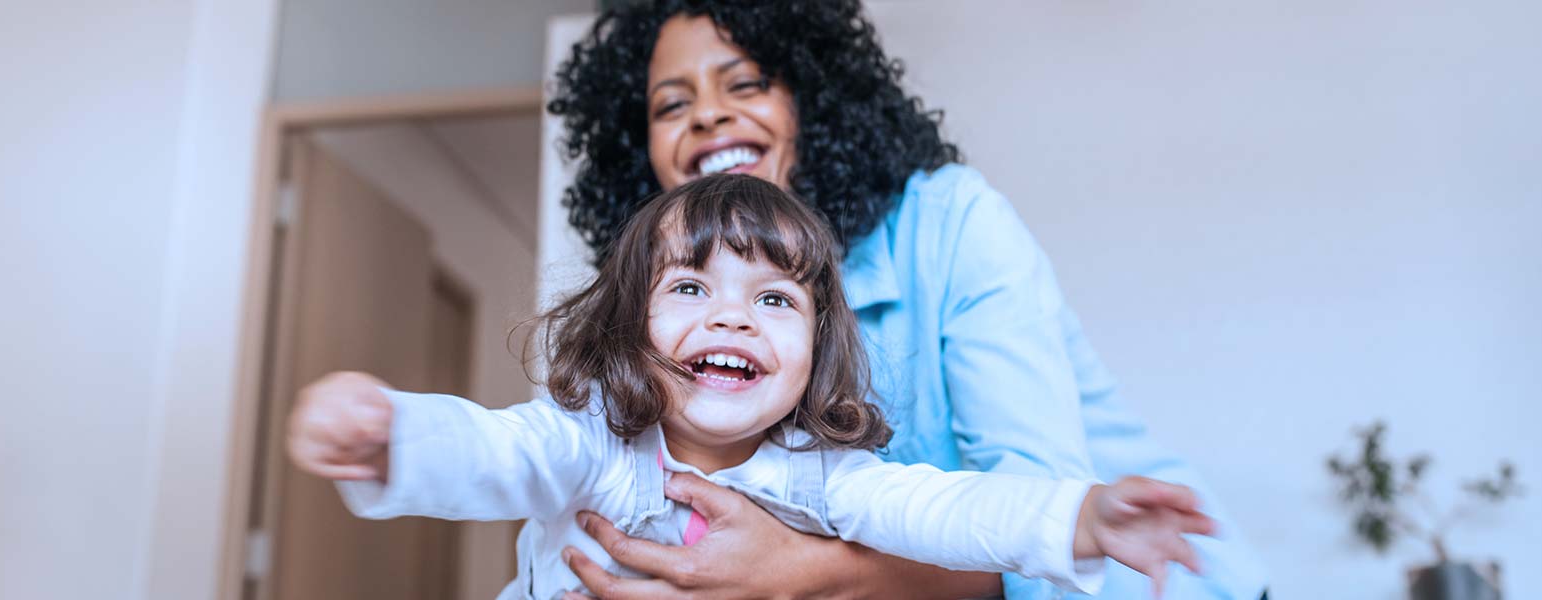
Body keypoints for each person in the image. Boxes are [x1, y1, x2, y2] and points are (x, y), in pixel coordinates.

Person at [531, 1, 1271, 598]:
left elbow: (1035, 554)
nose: (708, 116)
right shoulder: (671, 323)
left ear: (812, 101)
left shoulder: (952, 222)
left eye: (747, 83)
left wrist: (803, 573)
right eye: (671, 105)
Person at [289, 175, 1216, 600]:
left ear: (816, 349)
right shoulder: (592, 440)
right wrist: (392, 439)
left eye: (772, 299)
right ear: (628, 324)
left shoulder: (828, 479)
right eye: (690, 288)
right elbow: (496, 451)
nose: (731, 318)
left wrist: (1083, 519)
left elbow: (954, 510)